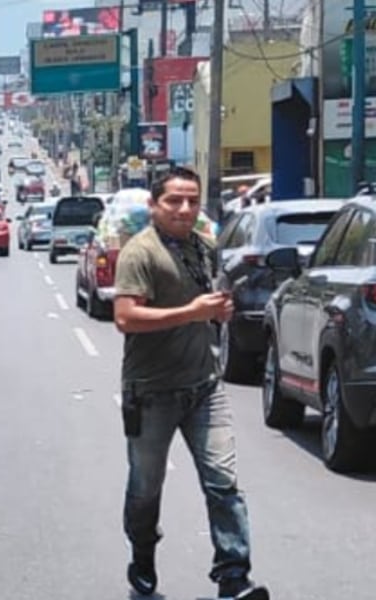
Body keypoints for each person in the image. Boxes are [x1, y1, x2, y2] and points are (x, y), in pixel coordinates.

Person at [113, 167, 269, 600]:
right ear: (154, 205)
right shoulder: (139, 253)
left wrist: (219, 312)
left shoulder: (204, 248)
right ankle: (142, 555)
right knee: (146, 489)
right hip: (151, 391)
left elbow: (206, 305)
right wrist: (193, 313)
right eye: (174, 201)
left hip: (205, 387)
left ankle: (234, 577)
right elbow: (125, 317)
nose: (185, 209)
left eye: (192, 201)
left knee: (223, 482)